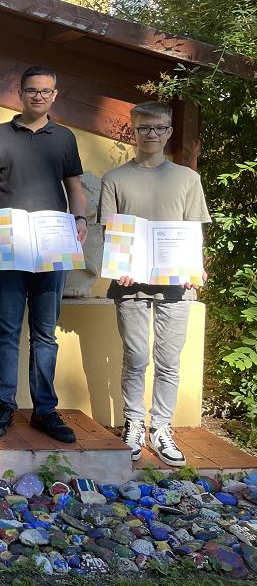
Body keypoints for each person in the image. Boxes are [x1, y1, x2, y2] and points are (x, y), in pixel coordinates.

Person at [0, 66, 87, 442]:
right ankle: (3, 405)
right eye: (32, 90)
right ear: (20, 93)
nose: (39, 96)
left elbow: (75, 187)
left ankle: (44, 411)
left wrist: (81, 219)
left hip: (53, 243)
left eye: (45, 91)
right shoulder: (0, 134)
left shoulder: (65, 137)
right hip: (9, 242)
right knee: (6, 329)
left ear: (55, 95)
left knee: (45, 333)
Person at [98, 101, 209, 466]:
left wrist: (196, 267)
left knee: (169, 361)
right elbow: (111, 232)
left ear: (169, 132)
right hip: (130, 284)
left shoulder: (187, 179)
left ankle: (161, 428)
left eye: (159, 128)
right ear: (133, 132)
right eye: (144, 128)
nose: (152, 134)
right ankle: (134, 423)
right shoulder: (114, 179)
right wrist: (120, 266)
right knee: (136, 358)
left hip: (177, 285)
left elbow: (193, 230)